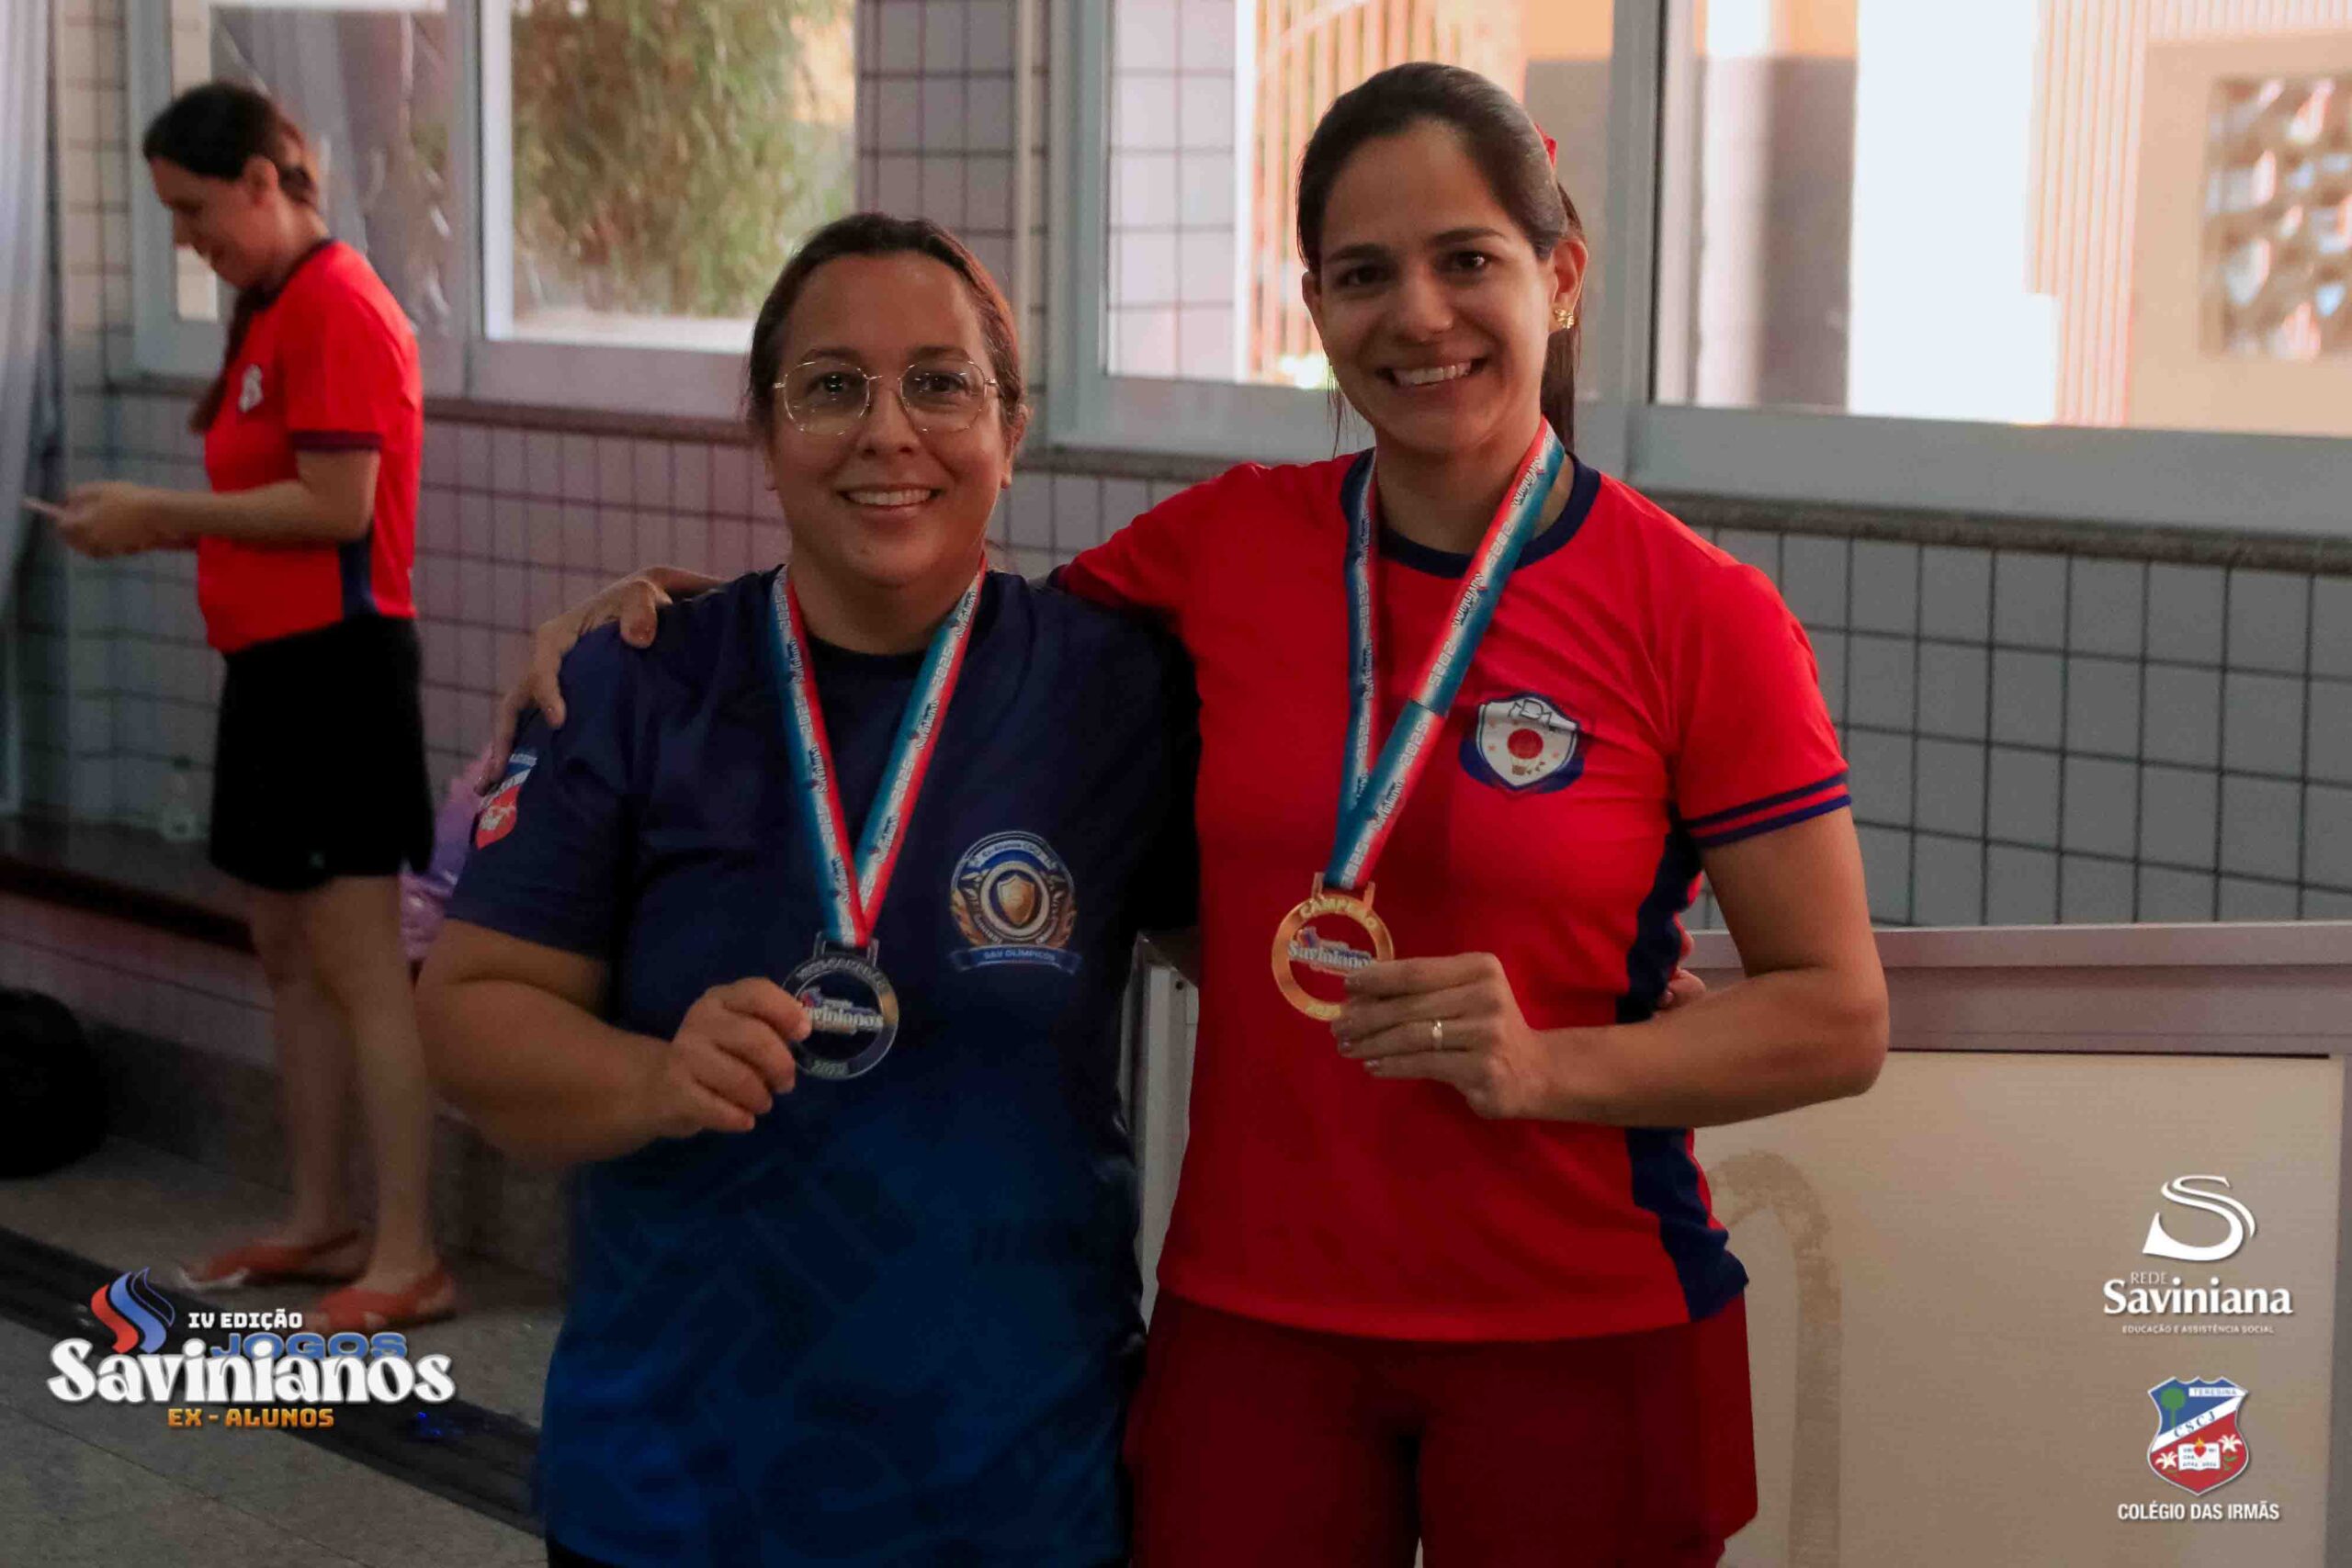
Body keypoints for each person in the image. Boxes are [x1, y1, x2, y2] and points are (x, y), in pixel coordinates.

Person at [502, 63, 1882, 1565]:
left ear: (1558, 278)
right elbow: (934, 635)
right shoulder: (1224, 550)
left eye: (1467, 260)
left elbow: (1836, 1015)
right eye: (1365, 274)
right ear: (1318, 306)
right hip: (1260, 1323)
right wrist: (676, 622)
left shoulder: (1702, 618)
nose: (1418, 314)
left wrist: (1557, 1062)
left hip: (1579, 1311)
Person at [415, 214, 1197, 1567]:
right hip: (678, 1491)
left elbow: (1273, 952)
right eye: (832, 387)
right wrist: (654, 1077)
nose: (888, 432)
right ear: (767, 436)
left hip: (1014, 1489)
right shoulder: (636, 684)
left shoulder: (1109, 694)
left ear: (1011, 431)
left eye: (941, 384)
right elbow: (469, 1012)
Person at [57, 82, 450, 1333]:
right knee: (285, 952)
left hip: (341, 673)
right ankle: (321, 1216)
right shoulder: (271, 305)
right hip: (273, 673)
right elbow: (265, 501)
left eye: (194, 210)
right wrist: (148, 527)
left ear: (264, 183)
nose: (186, 238)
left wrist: (160, 513)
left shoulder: (338, 303)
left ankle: (410, 1254)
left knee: (360, 965)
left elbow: (339, 508)